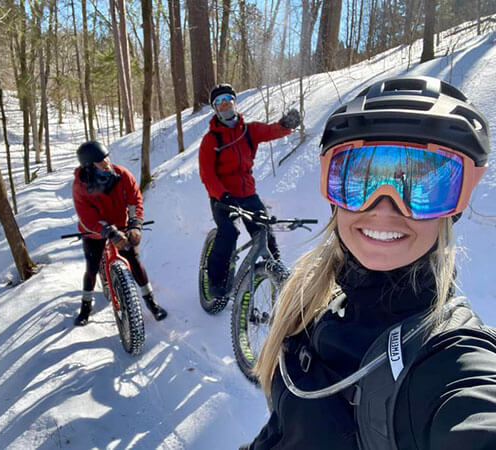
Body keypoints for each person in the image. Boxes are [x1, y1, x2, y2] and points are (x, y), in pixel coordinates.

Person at [244, 76, 496, 449]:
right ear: (333, 196)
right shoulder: (313, 310)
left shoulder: (452, 359)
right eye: (359, 180)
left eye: (423, 186)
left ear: (454, 206)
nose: (383, 209)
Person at [199, 83, 301, 298]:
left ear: (234, 102)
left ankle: (277, 271)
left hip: (247, 193)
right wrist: (222, 195)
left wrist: (285, 125)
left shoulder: (248, 131)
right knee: (229, 233)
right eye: (219, 102)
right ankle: (215, 280)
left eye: (228, 99)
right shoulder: (211, 140)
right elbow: (207, 174)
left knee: (264, 229)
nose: (225, 104)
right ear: (215, 108)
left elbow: (271, 130)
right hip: (222, 196)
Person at [72, 140, 167, 325]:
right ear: (89, 166)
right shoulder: (80, 186)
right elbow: (88, 217)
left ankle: (151, 302)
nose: (106, 162)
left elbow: (134, 201)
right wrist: (110, 232)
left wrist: (135, 225)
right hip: (95, 231)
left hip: (122, 227)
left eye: (106, 157)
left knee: (134, 260)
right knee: (91, 268)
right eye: (100, 161)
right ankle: (85, 307)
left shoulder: (122, 174)